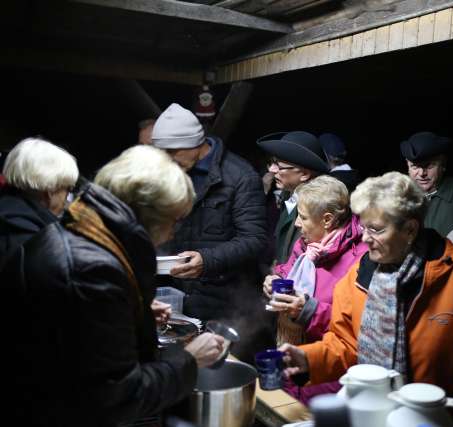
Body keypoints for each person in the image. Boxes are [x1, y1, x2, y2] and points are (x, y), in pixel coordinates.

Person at [4, 145, 225, 427]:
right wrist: (189, 361)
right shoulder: (91, 270)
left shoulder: (76, 230)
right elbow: (119, 399)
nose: (173, 232)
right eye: (175, 221)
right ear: (148, 216)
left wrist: (134, 312)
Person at [279, 172, 453, 396]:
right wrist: (308, 359)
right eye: (364, 228)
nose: (365, 238)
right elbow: (345, 344)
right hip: (372, 406)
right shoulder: (358, 276)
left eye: (376, 229)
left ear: (410, 230)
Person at [151, 103, 267, 322]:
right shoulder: (168, 173)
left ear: (194, 143)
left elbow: (255, 238)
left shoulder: (241, 176)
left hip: (225, 301)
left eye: (171, 151)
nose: (166, 158)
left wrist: (207, 260)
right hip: (177, 293)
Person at [262, 175, 368, 404]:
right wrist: (275, 279)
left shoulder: (361, 258)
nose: (297, 223)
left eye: (303, 217)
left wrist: (309, 309)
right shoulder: (308, 243)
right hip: (294, 359)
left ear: (327, 219)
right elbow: (290, 270)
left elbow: (356, 327)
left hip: (329, 374)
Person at [0, 137, 78, 267]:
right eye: (68, 189)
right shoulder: (37, 244)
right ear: (50, 191)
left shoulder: (7, 215)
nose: (67, 199)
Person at [257, 131, 330, 264]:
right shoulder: (289, 194)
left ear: (304, 174)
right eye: (273, 162)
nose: (272, 170)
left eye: (279, 166)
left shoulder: (317, 209)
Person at [401, 131, 453, 236]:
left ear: (443, 165)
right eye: (415, 166)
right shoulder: (398, 199)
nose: (422, 173)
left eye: (429, 166)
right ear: (408, 166)